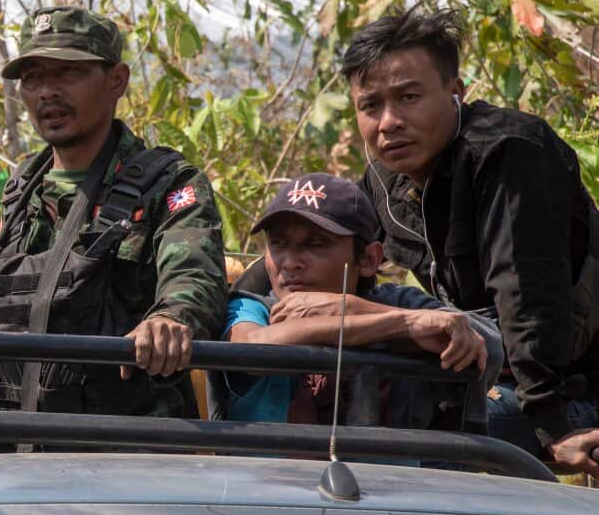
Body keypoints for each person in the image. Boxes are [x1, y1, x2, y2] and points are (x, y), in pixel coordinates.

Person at [340, 5, 599, 474]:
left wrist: (554, 427)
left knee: (399, 450)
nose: (389, 121)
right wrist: (250, 311)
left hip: (570, 393)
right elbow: (333, 249)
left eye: (409, 97)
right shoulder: (385, 180)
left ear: (455, 92)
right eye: (370, 105)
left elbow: (523, 291)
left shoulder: (508, 151)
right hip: (483, 375)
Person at [0, 5, 226, 418]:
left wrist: (170, 319)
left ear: (117, 81)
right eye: (33, 78)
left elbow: (195, 277)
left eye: (68, 73)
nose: (47, 92)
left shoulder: (168, 183)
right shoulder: (22, 188)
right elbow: (26, 302)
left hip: (123, 445)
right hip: (13, 441)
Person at [212, 173, 501, 434]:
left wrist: (351, 308)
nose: (290, 263)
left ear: (368, 259)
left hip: (390, 488)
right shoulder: (251, 307)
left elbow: (480, 342)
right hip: (263, 489)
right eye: (277, 243)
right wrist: (401, 324)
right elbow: (253, 347)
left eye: (316, 244)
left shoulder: (397, 301)